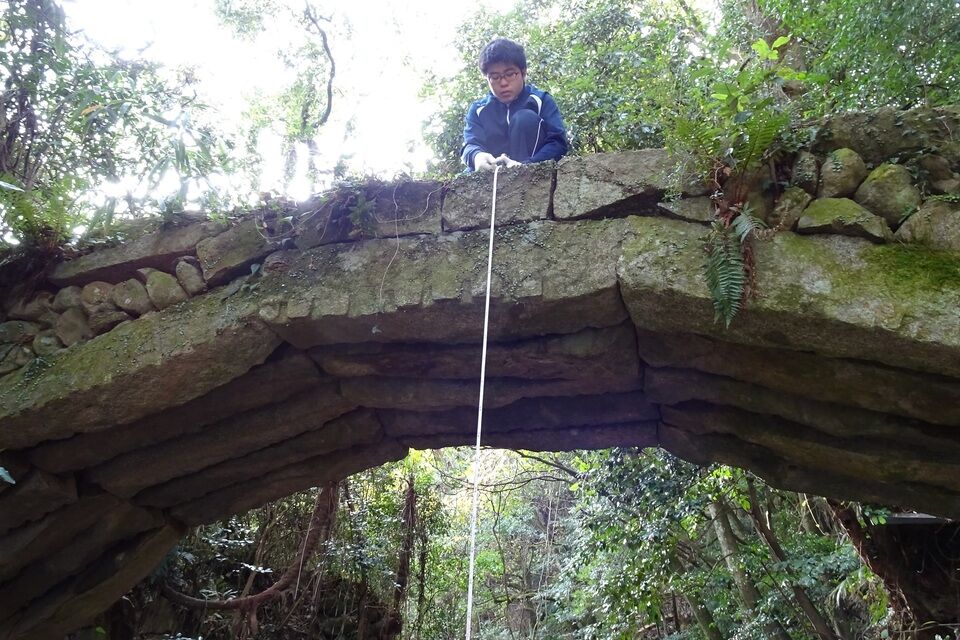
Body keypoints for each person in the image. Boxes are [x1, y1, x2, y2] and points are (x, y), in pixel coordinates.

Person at [461, 38, 569, 172]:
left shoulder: (540, 100)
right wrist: (477, 157)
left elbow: (558, 143)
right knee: (464, 175)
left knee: (524, 118)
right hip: (491, 177)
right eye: (495, 77)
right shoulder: (478, 110)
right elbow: (470, 145)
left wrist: (526, 166)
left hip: (531, 171)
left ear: (523, 72)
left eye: (510, 74)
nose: (503, 83)